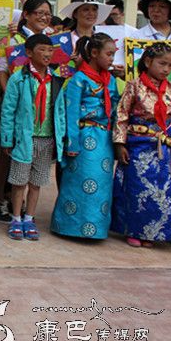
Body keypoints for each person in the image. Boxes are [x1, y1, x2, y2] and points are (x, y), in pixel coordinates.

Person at [112, 43, 171, 247]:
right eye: (162, 64)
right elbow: (122, 114)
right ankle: (134, 231)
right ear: (147, 62)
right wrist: (120, 144)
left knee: (161, 190)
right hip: (138, 146)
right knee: (137, 189)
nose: (166, 69)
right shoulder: (134, 86)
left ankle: (153, 233)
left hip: (162, 149)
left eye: (170, 65)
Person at [0, 0, 55, 223]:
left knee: (29, 159)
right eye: (39, 13)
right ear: (26, 15)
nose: (44, 17)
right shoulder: (13, 39)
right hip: (14, 105)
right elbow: (2, 71)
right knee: (5, 154)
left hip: (39, 112)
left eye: (48, 13)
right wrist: (12, 98)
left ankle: (17, 203)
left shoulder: (54, 40)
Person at [50, 34, 119, 240]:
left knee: (102, 184)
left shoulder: (111, 80)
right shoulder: (78, 79)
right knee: (79, 181)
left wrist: (117, 139)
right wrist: (71, 143)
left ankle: (97, 228)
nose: (112, 59)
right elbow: (70, 113)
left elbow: (115, 111)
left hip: (104, 139)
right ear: (94, 53)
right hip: (83, 136)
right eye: (108, 54)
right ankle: (69, 226)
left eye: (113, 55)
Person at [0, 34, 66, 241]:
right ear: (29, 52)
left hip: (46, 138)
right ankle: (16, 218)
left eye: (50, 50)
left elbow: (60, 111)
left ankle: (29, 218)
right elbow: (8, 110)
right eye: (42, 50)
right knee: (19, 182)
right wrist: (7, 138)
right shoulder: (19, 78)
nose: (47, 54)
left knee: (37, 182)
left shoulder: (55, 80)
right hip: (24, 139)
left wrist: (61, 138)